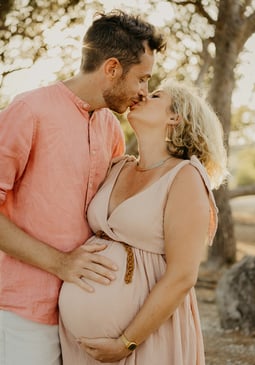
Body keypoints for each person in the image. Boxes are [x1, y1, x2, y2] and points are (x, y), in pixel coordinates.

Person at [0, 10, 166, 365]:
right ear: (111, 68)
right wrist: (60, 263)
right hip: (24, 315)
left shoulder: (110, 127)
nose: (143, 93)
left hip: (84, 317)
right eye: (142, 79)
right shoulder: (30, 110)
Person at [58, 79, 228, 365]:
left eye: (155, 95)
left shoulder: (185, 177)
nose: (141, 96)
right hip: (78, 346)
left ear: (176, 117)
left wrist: (126, 343)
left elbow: (182, 276)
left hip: (144, 342)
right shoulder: (118, 167)